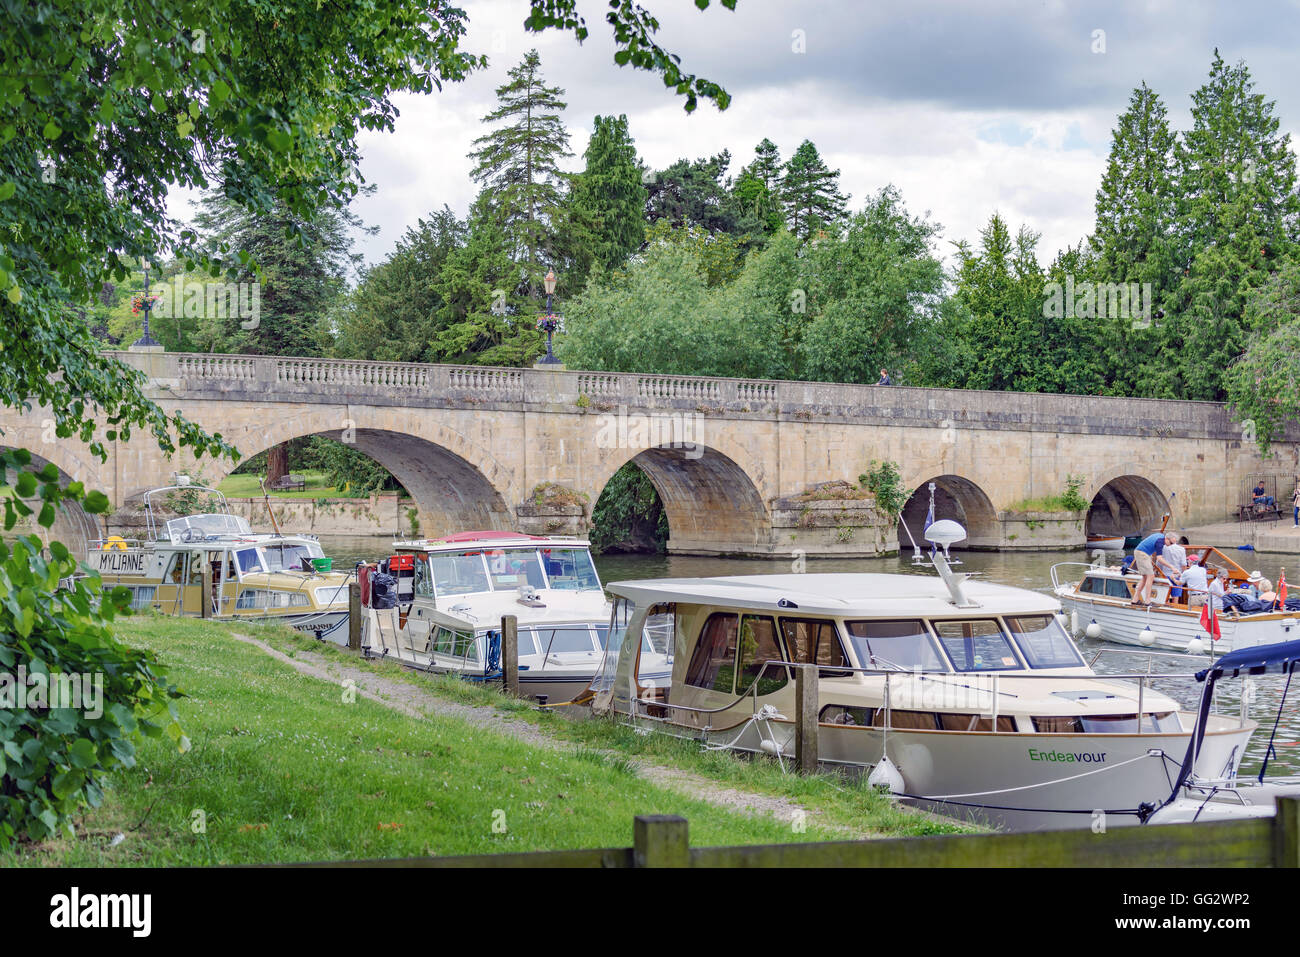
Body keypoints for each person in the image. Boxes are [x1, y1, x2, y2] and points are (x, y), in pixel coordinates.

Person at [1132, 531, 1175, 605]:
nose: (1171, 545)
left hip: (1141, 552)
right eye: (1171, 543)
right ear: (1167, 539)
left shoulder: (1160, 536)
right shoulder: (1160, 542)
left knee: (1145, 577)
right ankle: (1147, 601)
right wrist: (1171, 567)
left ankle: (1135, 600)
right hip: (1142, 553)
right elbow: (1159, 559)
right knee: (1151, 576)